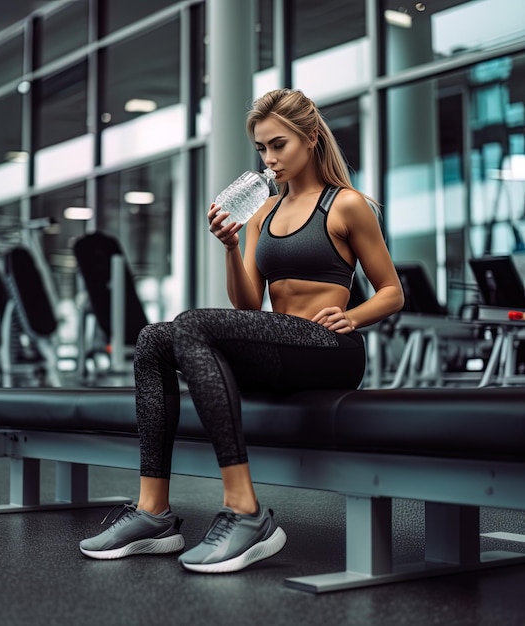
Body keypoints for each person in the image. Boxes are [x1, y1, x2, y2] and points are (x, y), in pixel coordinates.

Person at [79, 88, 404, 573]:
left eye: (279, 145)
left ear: (311, 138)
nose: (269, 159)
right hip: (277, 344)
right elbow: (249, 303)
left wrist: (353, 316)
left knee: (190, 324)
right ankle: (153, 511)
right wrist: (232, 248)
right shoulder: (263, 212)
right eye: (262, 148)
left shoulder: (346, 205)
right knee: (154, 338)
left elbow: (392, 290)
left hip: (329, 348)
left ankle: (245, 510)